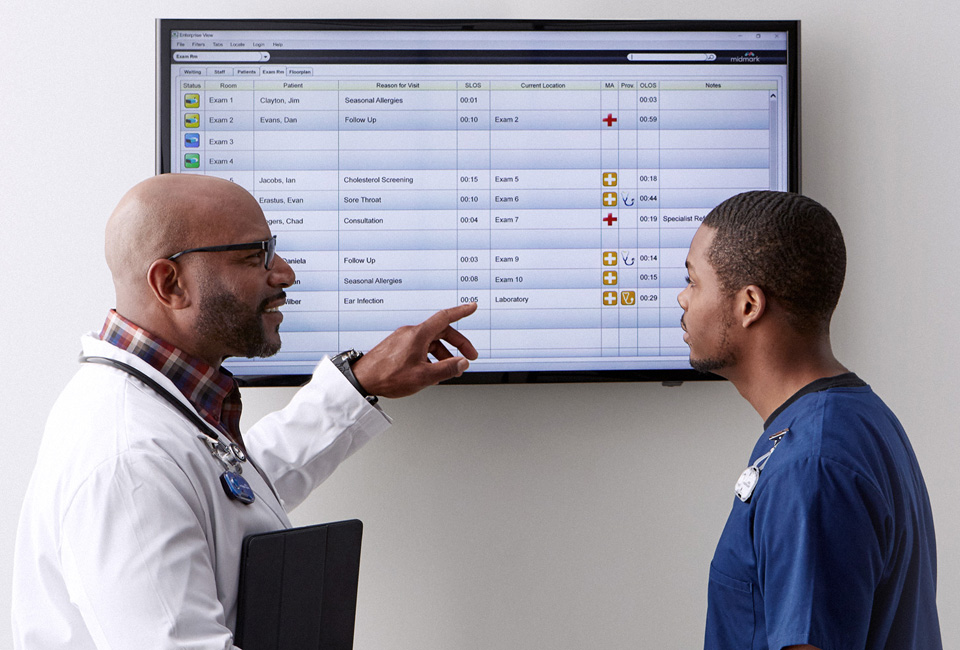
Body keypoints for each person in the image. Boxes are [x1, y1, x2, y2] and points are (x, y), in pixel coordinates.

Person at [11, 173, 478, 649]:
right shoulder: (127, 463)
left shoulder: (166, 412)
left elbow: (228, 493)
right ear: (170, 283)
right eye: (256, 255)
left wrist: (356, 385)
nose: (286, 274)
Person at [678, 191, 941, 650]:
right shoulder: (854, 420)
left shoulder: (812, 466)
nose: (682, 298)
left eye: (693, 281)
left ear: (748, 305)